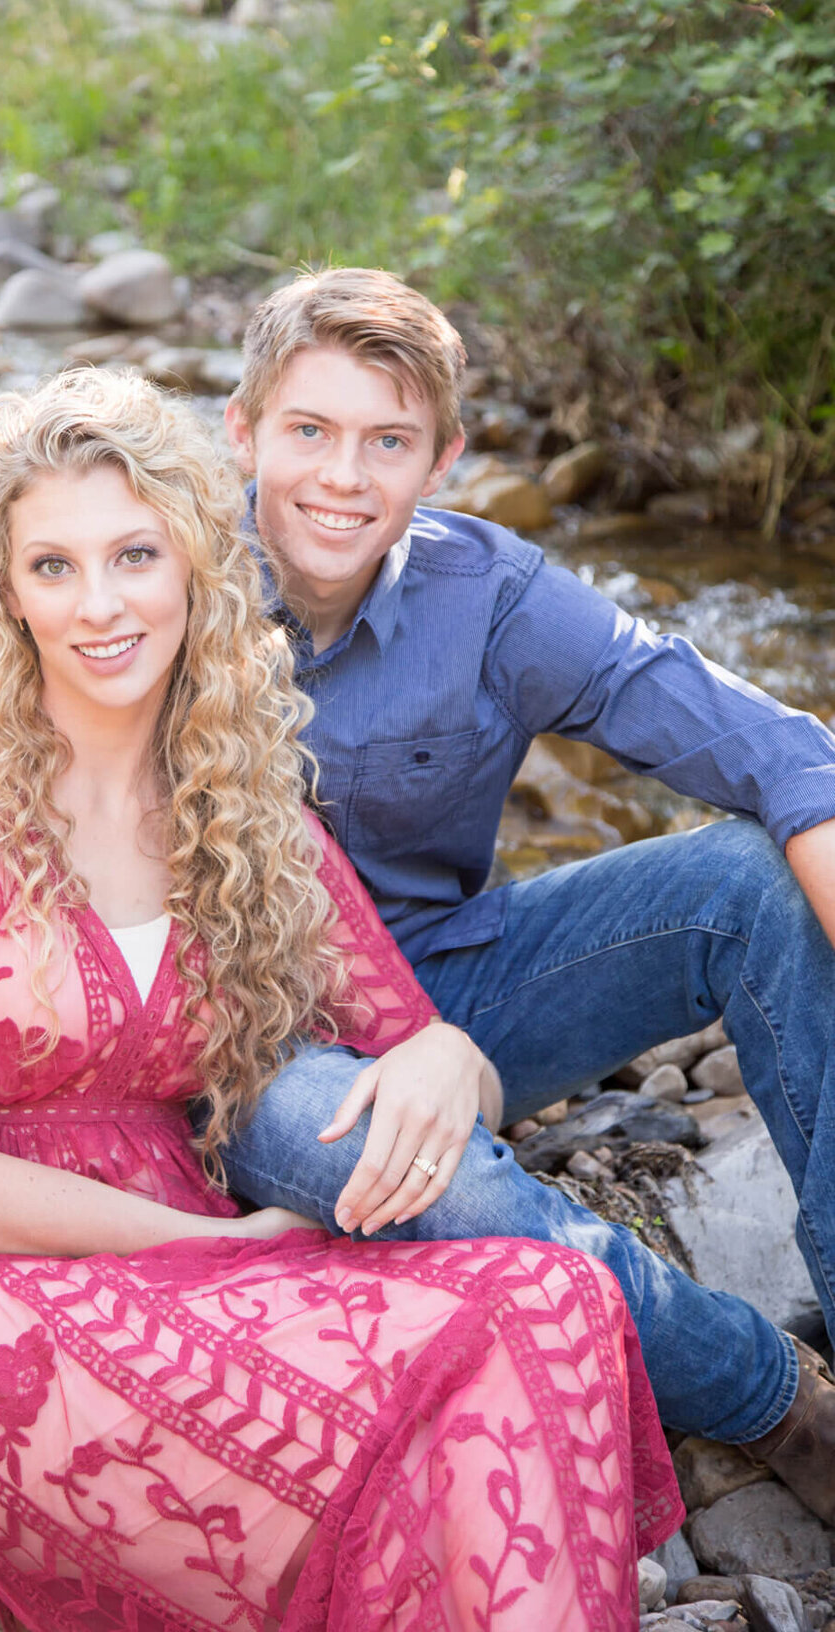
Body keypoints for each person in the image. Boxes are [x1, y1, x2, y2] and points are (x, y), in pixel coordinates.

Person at [0, 369, 679, 1632]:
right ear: (5, 596)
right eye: (54, 568)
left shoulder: (240, 807)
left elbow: (419, 1038)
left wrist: (442, 1061)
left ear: (198, 564)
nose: (98, 606)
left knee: (555, 1300)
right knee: (401, 1420)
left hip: (189, 1247)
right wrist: (212, 1248)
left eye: (134, 555)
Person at [219, 266, 835, 1523]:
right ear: (244, 429)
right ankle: (778, 1399)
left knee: (750, 877)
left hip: (467, 990)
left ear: (442, 460)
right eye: (310, 431)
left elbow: (776, 751)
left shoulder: (491, 597)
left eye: (387, 441)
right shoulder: (162, 585)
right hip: (262, 1046)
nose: (343, 476)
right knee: (432, 1178)